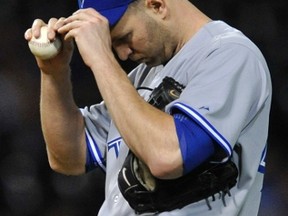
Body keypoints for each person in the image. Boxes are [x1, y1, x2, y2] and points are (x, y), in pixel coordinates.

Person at [24, 0, 272, 215]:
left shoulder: (230, 54)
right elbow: (69, 157)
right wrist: (54, 72)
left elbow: (168, 157)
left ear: (156, 5)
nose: (121, 54)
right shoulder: (142, 77)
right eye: (110, 45)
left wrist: (100, 58)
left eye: (123, 38)